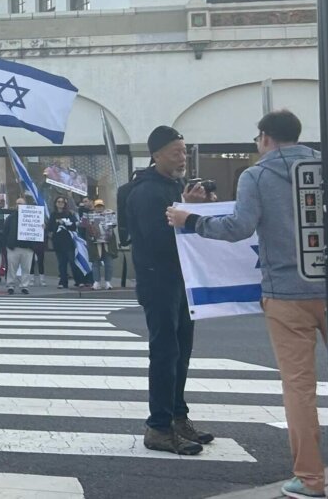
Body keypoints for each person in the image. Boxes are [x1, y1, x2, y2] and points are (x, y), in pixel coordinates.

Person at [166, 111, 326, 496]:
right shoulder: (327, 166)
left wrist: (190, 220)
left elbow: (239, 227)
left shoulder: (257, 175)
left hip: (286, 292)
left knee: (299, 387)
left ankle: (311, 479)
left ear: (265, 137)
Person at [127, 125, 213, 455]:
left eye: (184, 150)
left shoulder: (173, 186)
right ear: (156, 155)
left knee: (182, 349)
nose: (182, 157)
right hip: (158, 280)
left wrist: (196, 209)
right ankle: (158, 426)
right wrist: (187, 209)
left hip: (180, 279)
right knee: (165, 352)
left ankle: (178, 416)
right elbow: (160, 242)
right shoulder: (147, 192)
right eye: (176, 151)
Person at [4, 195, 42, 295]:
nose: (18, 205)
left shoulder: (33, 216)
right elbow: (5, 231)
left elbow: (39, 230)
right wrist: (8, 244)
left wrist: (41, 227)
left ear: (25, 205)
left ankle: (25, 286)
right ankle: (10, 285)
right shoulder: (11, 217)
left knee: (26, 268)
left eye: (20, 203)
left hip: (28, 247)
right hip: (14, 247)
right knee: (11, 268)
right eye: (17, 203)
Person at [48, 195, 78, 289]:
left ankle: (78, 280)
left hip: (68, 242)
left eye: (62, 202)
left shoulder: (69, 214)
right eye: (58, 202)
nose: (60, 203)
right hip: (58, 242)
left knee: (72, 262)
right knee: (62, 263)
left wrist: (64, 223)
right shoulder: (53, 215)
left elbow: (74, 226)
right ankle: (63, 282)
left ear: (65, 204)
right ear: (55, 204)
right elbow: (50, 227)